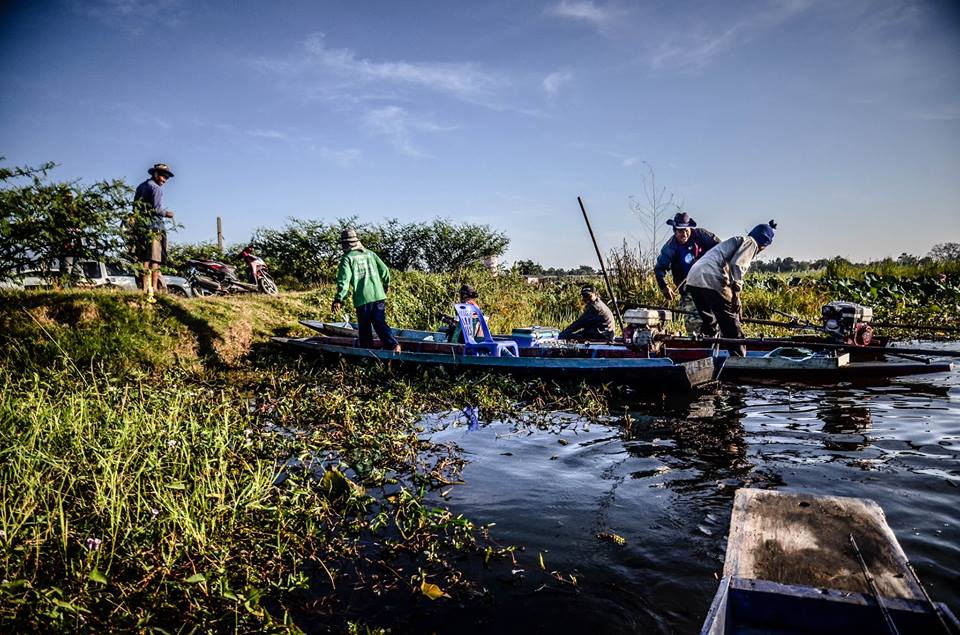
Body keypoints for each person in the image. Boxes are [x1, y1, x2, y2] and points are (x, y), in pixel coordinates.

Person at [685, 220, 777, 357]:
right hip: (711, 277)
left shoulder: (736, 240)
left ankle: (707, 355)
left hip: (693, 278)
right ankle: (739, 358)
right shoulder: (751, 242)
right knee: (730, 322)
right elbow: (737, 265)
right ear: (764, 245)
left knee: (710, 322)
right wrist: (736, 296)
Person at [331, 229, 401, 353]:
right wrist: (386, 284)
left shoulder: (347, 259)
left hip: (363, 298)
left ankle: (366, 352)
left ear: (347, 244)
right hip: (379, 295)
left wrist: (339, 298)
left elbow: (344, 280)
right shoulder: (370, 254)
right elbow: (384, 270)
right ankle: (393, 345)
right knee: (380, 323)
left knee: (364, 327)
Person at [654, 211, 720, 334]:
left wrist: (706, 259)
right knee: (693, 323)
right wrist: (664, 286)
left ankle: (718, 344)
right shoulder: (670, 247)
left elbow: (721, 249)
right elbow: (659, 269)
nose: (684, 234)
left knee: (717, 321)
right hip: (689, 290)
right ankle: (697, 348)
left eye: (686, 230)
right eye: (680, 231)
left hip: (711, 286)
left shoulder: (702, 235)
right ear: (675, 231)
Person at [132, 163, 175, 303]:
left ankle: (144, 288)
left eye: (166, 177)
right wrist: (167, 214)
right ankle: (154, 289)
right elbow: (156, 209)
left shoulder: (141, 186)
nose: (164, 180)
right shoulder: (156, 188)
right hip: (154, 226)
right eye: (163, 176)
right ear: (156, 174)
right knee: (155, 259)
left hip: (141, 226)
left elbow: (135, 207)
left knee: (144, 258)